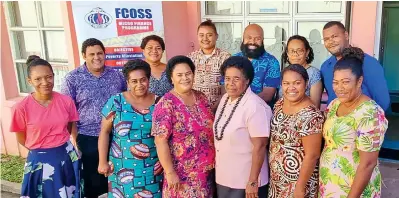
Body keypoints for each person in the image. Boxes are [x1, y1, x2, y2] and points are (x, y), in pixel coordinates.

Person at [61, 38, 126, 197]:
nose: (96, 57)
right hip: (88, 138)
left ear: (105, 54)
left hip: (117, 137)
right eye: (91, 54)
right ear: (84, 55)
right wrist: (76, 138)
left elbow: (126, 100)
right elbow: (68, 111)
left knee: (119, 179)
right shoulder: (73, 78)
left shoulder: (117, 76)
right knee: (94, 182)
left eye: (99, 53)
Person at [319, 47, 388, 198]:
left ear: (359, 81)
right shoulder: (334, 105)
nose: (339, 88)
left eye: (345, 82)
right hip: (330, 183)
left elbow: (368, 163)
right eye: (335, 82)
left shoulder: (370, 113)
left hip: (355, 189)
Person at [10, 55, 83, 197]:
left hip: (65, 156)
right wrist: (43, 151)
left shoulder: (66, 101)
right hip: (39, 161)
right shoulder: (21, 107)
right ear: (29, 81)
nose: (45, 82)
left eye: (49, 77)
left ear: (53, 76)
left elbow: (69, 127)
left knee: (67, 193)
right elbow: (21, 137)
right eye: (38, 79)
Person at [151, 56, 216, 197]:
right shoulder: (166, 104)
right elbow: (160, 141)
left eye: (188, 74)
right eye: (179, 75)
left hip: (207, 174)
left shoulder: (201, 97)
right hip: (181, 177)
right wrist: (169, 172)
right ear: (171, 78)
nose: (185, 78)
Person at [97, 60, 163, 197]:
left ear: (148, 80)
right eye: (134, 81)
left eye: (143, 80)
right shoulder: (116, 101)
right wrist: (102, 161)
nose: (139, 85)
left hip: (152, 166)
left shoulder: (160, 103)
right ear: (127, 82)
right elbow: (104, 131)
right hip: (121, 165)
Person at [214, 56, 272, 198]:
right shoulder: (225, 99)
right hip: (224, 177)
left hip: (245, 181)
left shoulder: (254, 106)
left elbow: (260, 146)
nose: (230, 83)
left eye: (236, 79)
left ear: (247, 81)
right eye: (227, 78)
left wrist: (252, 182)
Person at [269, 64, 324, 198]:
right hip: (277, 180)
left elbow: (312, 155)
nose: (291, 88)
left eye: (297, 83)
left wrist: (300, 187)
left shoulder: (311, 115)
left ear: (306, 84)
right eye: (286, 83)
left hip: (298, 182)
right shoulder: (280, 104)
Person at [321, 21, 390, 111]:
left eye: (334, 36)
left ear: (346, 35)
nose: (331, 41)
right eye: (326, 39)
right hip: (334, 121)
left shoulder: (368, 63)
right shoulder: (325, 67)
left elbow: (382, 101)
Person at [223, 24, 281, 106]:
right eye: (249, 38)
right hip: (231, 108)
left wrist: (242, 106)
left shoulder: (272, 62)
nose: (253, 42)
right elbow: (224, 89)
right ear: (243, 39)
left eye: (257, 39)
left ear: (263, 40)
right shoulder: (233, 60)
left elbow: (267, 95)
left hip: (259, 110)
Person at [188, 19, 231, 109]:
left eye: (209, 35)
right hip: (195, 109)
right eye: (201, 35)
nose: (205, 39)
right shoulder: (190, 58)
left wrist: (214, 109)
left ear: (216, 36)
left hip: (220, 108)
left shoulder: (225, 58)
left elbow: (228, 86)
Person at [280, 35, 323, 108]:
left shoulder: (314, 73)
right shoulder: (285, 73)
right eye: (292, 51)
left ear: (307, 52)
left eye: (299, 50)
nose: (295, 54)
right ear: (287, 53)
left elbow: (314, 106)